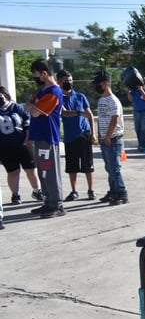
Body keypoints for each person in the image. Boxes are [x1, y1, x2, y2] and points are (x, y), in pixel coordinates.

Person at [25, 59, 64, 218]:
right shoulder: (42, 91)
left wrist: (33, 107)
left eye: (37, 74)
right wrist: (33, 107)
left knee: (50, 172)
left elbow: (34, 111)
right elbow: (28, 105)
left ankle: (57, 205)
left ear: (44, 73)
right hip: (39, 137)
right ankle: (48, 202)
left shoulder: (54, 92)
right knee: (43, 173)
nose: (36, 78)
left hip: (48, 137)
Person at [57, 70, 96, 201]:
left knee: (88, 165)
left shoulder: (80, 96)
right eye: (66, 81)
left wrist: (93, 133)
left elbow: (89, 114)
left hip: (84, 134)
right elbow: (65, 113)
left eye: (71, 80)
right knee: (72, 166)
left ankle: (91, 190)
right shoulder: (58, 98)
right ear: (59, 82)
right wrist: (79, 113)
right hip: (70, 136)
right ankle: (74, 191)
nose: (69, 83)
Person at [0, 85, 43, 204]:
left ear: (6, 95)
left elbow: (27, 122)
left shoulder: (17, 107)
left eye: (1, 96)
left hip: (22, 143)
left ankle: (37, 190)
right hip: (5, 146)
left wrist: (29, 138)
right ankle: (15, 194)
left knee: (30, 168)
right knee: (13, 171)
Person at [94, 70, 128, 205]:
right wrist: (100, 135)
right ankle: (113, 190)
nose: (98, 86)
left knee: (115, 168)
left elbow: (115, 119)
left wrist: (108, 136)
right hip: (105, 139)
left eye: (100, 83)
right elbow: (101, 119)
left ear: (106, 83)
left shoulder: (113, 101)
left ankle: (121, 192)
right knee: (109, 167)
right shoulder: (102, 100)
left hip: (114, 139)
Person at [128, 76, 145, 152]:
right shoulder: (135, 91)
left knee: (143, 129)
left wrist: (142, 90)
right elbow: (131, 99)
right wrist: (129, 91)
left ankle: (142, 145)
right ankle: (140, 143)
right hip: (136, 111)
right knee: (137, 129)